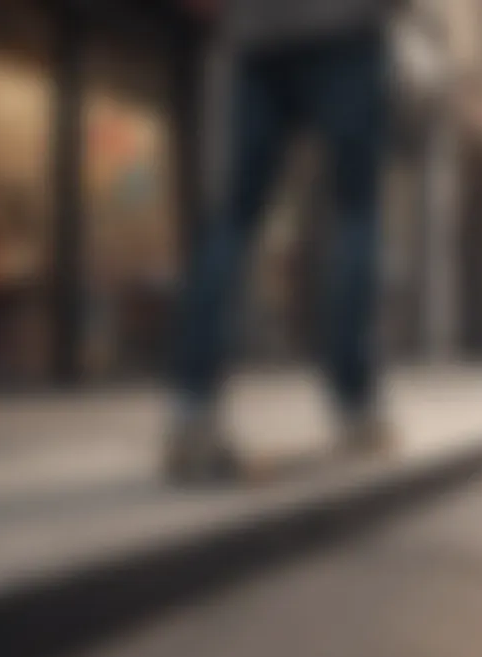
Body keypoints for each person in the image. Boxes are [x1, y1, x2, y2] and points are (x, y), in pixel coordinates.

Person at [168, 0, 397, 480]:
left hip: (259, 34)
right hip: (346, 30)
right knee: (356, 212)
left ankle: (190, 413)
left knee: (233, 217)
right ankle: (355, 410)